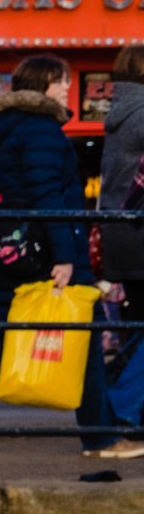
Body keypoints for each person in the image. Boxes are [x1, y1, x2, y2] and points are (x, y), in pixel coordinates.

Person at [0, 54, 143, 459]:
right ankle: (100, 438)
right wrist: (65, 257)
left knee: (0, 340)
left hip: (20, 251)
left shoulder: (10, 128)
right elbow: (47, 198)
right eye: (61, 81)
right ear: (44, 83)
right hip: (48, 254)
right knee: (83, 335)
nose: (67, 87)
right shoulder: (43, 131)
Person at [99, 46, 144, 430]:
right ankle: (121, 404)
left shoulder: (121, 111)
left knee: (135, 323)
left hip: (120, 231)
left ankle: (114, 399)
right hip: (138, 228)